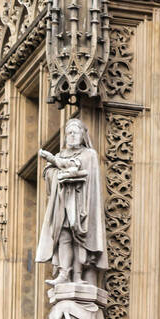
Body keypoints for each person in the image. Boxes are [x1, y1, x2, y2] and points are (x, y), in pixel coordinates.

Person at [36, 118, 107, 286]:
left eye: (75, 132)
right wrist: (55, 173)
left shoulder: (89, 154)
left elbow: (77, 167)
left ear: (83, 135)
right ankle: (64, 273)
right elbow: (48, 174)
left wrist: (52, 160)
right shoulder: (61, 154)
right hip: (62, 203)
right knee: (64, 238)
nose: (72, 136)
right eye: (69, 133)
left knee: (79, 240)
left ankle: (78, 276)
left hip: (82, 205)